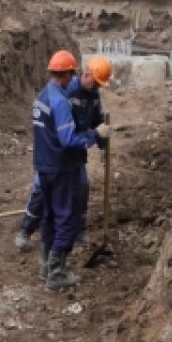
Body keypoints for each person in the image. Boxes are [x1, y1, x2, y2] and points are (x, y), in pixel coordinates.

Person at [32, 50, 110, 290]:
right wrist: (94, 135)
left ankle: (46, 266)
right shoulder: (60, 100)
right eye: (72, 73)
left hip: (44, 164)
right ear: (68, 74)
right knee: (66, 216)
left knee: (50, 216)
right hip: (61, 166)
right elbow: (67, 139)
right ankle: (57, 272)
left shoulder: (42, 96)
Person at [15, 55, 112, 250]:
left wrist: (102, 142)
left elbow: (97, 122)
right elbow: (62, 131)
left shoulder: (94, 96)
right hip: (58, 153)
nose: (97, 87)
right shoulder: (66, 92)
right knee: (41, 191)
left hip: (75, 153)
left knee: (82, 187)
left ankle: (79, 229)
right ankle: (26, 229)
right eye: (96, 82)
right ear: (86, 74)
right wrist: (92, 135)